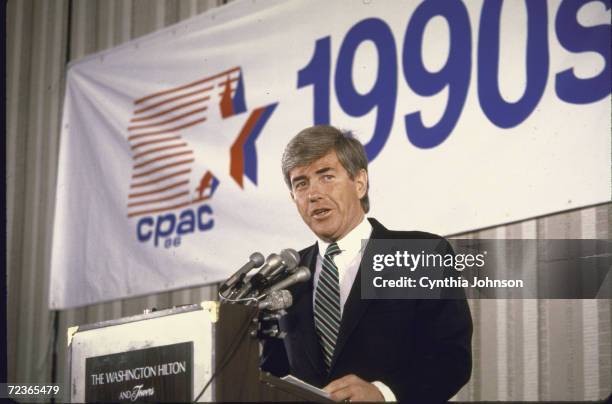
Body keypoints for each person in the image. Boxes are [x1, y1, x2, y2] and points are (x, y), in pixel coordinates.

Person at [261, 125, 472, 402]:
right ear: (293, 198)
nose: (313, 193)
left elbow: (451, 358)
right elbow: (272, 372)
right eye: (301, 183)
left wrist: (384, 394)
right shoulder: (286, 277)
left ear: (359, 183)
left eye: (326, 176)